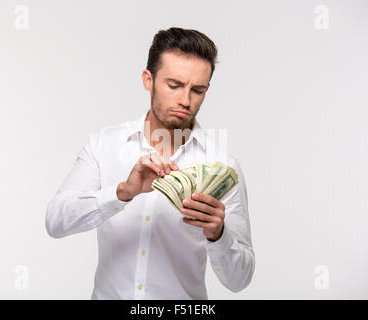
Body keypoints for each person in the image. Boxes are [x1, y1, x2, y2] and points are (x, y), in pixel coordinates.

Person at [45, 27, 255, 299]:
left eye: (198, 90)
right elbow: (56, 221)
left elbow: (240, 279)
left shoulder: (222, 165)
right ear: (148, 79)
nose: (185, 100)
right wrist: (121, 193)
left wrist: (218, 234)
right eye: (174, 85)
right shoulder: (104, 144)